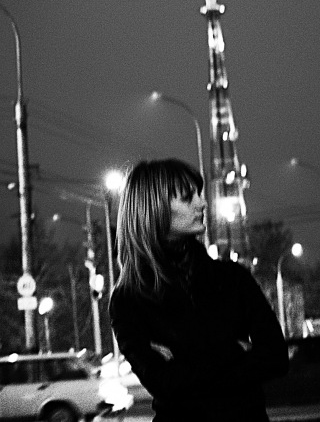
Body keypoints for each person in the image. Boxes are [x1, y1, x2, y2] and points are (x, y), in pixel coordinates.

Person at [109, 158, 289, 422]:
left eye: (199, 194)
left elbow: (276, 358)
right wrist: (235, 351)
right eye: (187, 198)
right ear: (154, 209)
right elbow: (164, 384)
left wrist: (186, 366)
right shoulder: (129, 299)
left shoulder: (233, 278)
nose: (202, 203)